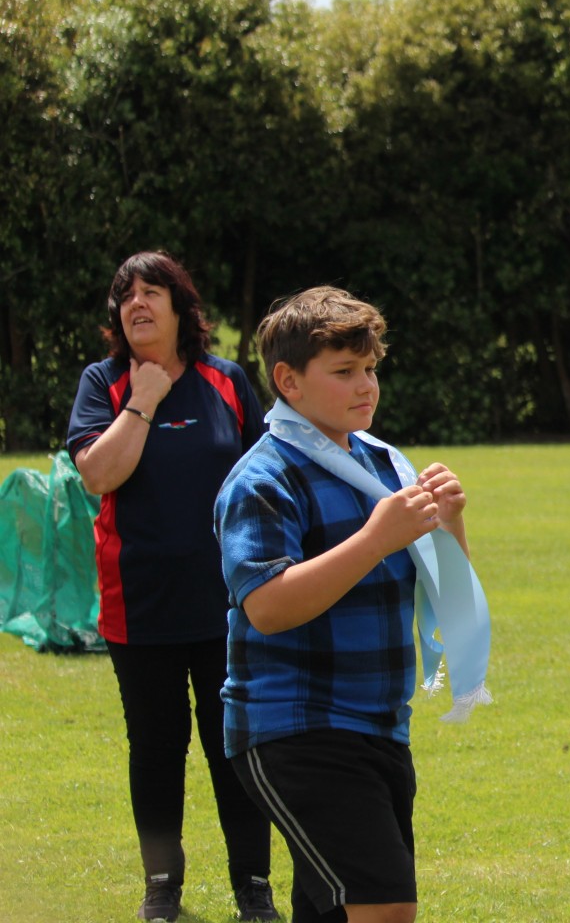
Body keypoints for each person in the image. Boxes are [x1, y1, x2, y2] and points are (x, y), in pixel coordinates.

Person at [214, 286, 473, 923]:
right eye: (344, 371)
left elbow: (447, 592)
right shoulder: (262, 479)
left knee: (335, 910)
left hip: (380, 727)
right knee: (386, 907)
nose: (365, 386)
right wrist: (375, 539)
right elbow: (267, 607)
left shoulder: (385, 465)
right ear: (288, 382)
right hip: (293, 727)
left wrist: (450, 523)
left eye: (370, 369)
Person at [67, 251, 280, 922]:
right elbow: (98, 475)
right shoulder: (102, 383)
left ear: (180, 306)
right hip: (140, 606)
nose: (137, 303)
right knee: (157, 751)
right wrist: (144, 400)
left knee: (234, 747)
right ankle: (162, 888)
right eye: (126, 294)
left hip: (230, 605)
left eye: (151, 291)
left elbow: (268, 472)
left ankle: (253, 887)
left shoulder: (226, 380)